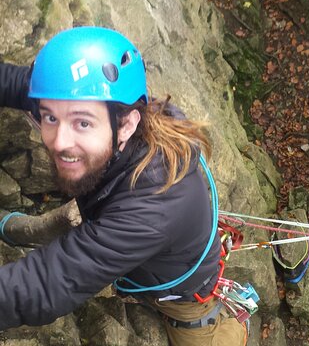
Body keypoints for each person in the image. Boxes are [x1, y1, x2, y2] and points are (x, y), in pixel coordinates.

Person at [0, 26, 246, 345]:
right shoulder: (106, 106)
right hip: (131, 235)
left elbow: (44, 286)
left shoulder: (154, 205)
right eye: (49, 118)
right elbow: (16, 84)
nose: (59, 142)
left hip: (182, 294)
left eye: (82, 123)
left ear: (127, 125)